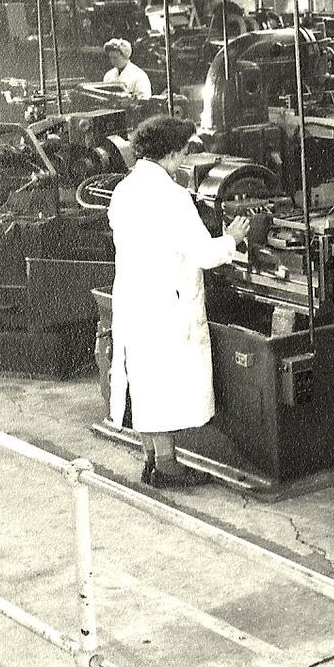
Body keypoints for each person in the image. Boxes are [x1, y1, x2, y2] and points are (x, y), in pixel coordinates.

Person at [107, 115, 250, 489]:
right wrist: (233, 238)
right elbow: (204, 254)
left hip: (135, 297)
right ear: (171, 152)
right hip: (166, 304)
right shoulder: (172, 196)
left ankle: (152, 460)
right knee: (165, 384)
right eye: (183, 151)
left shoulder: (125, 189)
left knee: (144, 380)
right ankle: (168, 470)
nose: (184, 157)